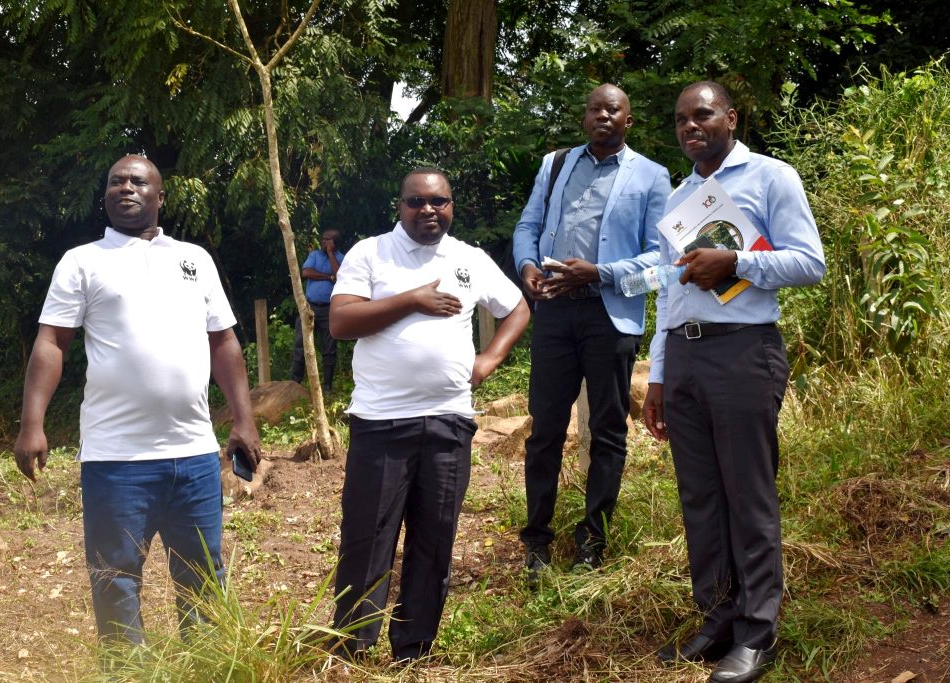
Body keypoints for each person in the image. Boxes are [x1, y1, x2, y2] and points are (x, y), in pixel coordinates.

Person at [13, 154, 262, 649]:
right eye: (115, 181)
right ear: (105, 196)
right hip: (116, 458)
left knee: (204, 575)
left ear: (160, 196)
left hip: (193, 454)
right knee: (116, 577)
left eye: (137, 181)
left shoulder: (195, 259)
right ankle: (127, 673)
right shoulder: (82, 261)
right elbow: (51, 343)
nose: (124, 187)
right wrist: (31, 424)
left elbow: (224, 343)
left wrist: (244, 420)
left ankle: (207, 667)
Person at [643, 82, 825, 682]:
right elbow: (670, 290)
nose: (690, 126)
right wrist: (659, 376)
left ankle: (755, 632)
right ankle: (716, 618)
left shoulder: (772, 177)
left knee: (747, 496)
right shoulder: (680, 197)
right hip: (687, 357)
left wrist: (737, 262)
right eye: (680, 120)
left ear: (731, 118)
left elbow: (809, 263)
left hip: (745, 353)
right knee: (700, 497)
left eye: (702, 115)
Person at [328, 168, 530, 661]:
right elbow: (341, 321)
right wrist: (412, 299)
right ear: (400, 206)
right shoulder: (371, 253)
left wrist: (490, 359)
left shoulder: (470, 259)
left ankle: (413, 649)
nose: (428, 210)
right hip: (380, 422)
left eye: (438, 201)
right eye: (416, 202)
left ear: (451, 205)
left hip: (448, 421)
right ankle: (351, 646)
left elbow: (518, 307)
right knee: (367, 537)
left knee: (434, 539)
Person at [512, 83, 671, 574]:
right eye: (596, 108)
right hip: (555, 313)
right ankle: (536, 539)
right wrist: (527, 268)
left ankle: (592, 540)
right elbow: (527, 228)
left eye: (614, 109)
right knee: (545, 430)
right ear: (585, 117)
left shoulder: (652, 176)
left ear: (629, 120)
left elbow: (662, 262)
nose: (603, 115)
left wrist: (600, 272)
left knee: (606, 430)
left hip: (611, 317)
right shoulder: (555, 164)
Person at [291, 228, 344, 392]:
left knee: (329, 347)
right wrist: (328, 277)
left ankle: (327, 386)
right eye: (322, 239)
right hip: (310, 307)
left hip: (329, 309)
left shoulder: (341, 258)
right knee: (301, 344)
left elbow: (340, 276)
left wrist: (330, 254)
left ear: (334, 242)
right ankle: (295, 383)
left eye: (327, 240)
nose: (323, 242)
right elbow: (307, 272)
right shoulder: (314, 255)